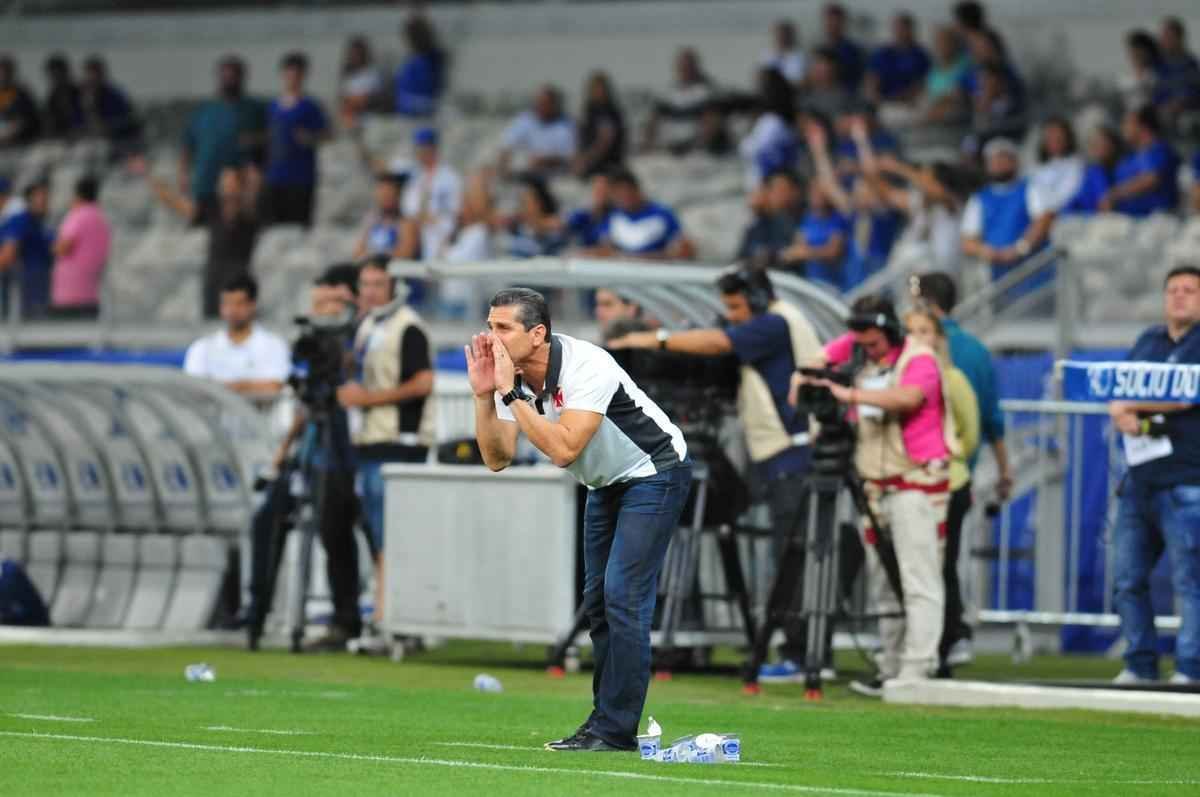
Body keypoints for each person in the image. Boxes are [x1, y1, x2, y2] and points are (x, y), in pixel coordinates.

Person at [468, 288, 691, 751]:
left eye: (502, 327)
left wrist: (510, 392)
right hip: (604, 483)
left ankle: (615, 730)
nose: (492, 337)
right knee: (597, 603)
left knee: (622, 596)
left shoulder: (588, 364)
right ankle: (604, 723)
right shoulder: (517, 378)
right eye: (489, 326)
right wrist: (484, 397)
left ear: (538, 334)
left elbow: (565, 448)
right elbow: (497, 457)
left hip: (653, 471)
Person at [609, 267, 823, 682]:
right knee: (785, 556)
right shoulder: (779, 320)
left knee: (791, 559)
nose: (733, 316)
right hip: (781, 456)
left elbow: (721, 343)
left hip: (791, 456)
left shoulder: (775, 323)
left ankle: (799, 654)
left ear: (759, 301)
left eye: (737, 307)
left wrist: (653, 339)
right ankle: (792, 650)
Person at [795, 295, 955, 693]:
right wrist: (814, 379)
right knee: (884, 584)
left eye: (873, 344)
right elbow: (808, 371)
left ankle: (918, 669)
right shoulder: (856, 348)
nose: (866, 350)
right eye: (861, 343)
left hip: (916, 483)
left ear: (892, 333)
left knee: (918, 580)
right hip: (874, 485)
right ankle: (891, 665)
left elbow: (908, 398)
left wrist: (847, 394)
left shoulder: (920, 359)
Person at [246, 269, 364, 651]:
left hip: (347, 451)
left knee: (335, 530)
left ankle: (347, 620)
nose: (322, 313)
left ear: (348, 302)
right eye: (317, 304)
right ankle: (257, 611)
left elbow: (349, 389)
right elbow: (305, 401)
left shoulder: (360, 338)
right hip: (312, 450)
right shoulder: (310, 343)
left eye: (330, 304)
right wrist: (281, 458)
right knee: (269, 518)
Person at [1108, 265, 1200, 686]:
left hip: (1188, 477)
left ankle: (1190, 668)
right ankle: (1140, 664)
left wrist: (1135, 407)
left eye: (1190, 290)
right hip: (1140, 479)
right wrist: (1126, 412)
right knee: (1127, 578)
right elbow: (1117, 394)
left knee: (1190, 580)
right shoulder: (1147, 341)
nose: (1180, 296)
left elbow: (1185, 395)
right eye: (1173, 290)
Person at [915, 272, 1013, 665]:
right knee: (948, 560)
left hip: (922, 474)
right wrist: (1004, 469)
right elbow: (991, 419)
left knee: (920, 563)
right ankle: (953, 637)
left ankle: (932, 640)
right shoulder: (976, 349)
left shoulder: (917, 352)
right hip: (959, 475)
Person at [341, 257, 434, 640]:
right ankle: (385, 610)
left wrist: (370, 400)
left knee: (392, 533)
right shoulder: (368, 325)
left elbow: (423, 382)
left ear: (394, 286)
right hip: (370, 440)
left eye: (378, 284)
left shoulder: (407, 326)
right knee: (375, 530)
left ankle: (395, 614)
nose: (370, 292)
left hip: (399, 441)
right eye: (365, 284)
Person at [903, 306, 980, 674]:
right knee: (913, 567)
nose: (918, 338)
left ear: (939, 338)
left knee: (940, 566)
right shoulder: (895, 381)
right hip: (906, 483)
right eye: (910, 331)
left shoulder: (953, 379)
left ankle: (946, 643)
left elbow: (971, 434)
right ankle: (917, 645)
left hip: (948, 483)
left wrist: (945, 459)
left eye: (925, 330)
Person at [130, 154, 261, 319]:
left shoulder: (249, 213)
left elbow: (253, 190)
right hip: (214, 279)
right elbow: (177, 204)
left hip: (239, 282)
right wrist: (149, 176)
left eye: (229, 181)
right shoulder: (213, 210)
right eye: (223, 181)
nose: (225, 186)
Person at [960, 137, 1055, 300]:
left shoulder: (1032, 188)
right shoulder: (980, 198)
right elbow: (967, 240)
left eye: (1003, 159)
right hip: (997, 276)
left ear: (1014, 162)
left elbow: (1043, 220)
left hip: (1032, 271)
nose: (998, 164)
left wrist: (1019, 248)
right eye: (993, 160)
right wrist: (988, 252)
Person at [181, 56, 268, 220]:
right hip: (205, 184)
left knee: (237, 234)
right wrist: (184, 176)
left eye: (234, 76)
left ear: (243, 77)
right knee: (203, 235)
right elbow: (187, 146)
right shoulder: (203, 110)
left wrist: (254, 140)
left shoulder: (255, 109)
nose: (229, 80)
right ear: (218, 77)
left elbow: (272, 140)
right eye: (225, 76)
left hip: (239, 188)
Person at [182, 274, 290, 399]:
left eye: (239, 304)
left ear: (252, 305)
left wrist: (218, 388)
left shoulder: (274, 346)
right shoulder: (202, 347)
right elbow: (193, 390)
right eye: (226, 303)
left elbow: (275, 387)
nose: (231, 310)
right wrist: (249, 386)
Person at [265, 52, 329, 228]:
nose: (292, 79)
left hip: (301, 177)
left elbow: (327, 134)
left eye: (297, 75)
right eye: (289, 74)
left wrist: (310, 137)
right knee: (275, 226)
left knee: (299, 226)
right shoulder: (273, 106)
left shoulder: (310, 106)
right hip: (276, 176)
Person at [642, 48, 730, 157]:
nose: (685, 70)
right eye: (682, 66)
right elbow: (653, 121)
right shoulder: (667, 93)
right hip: (669, 150)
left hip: (698, 152)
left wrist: (700, 143)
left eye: (688, 66)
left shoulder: (707, 92)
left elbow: (712, 121)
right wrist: (648, 144)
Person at [591, 168, 693, 260]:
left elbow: (684, 250)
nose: (623, 197)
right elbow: (604, 250)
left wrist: (643, 258)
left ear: (636, 189)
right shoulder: (611, 217)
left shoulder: (662, 214)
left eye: (626, 191)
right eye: (617, 194)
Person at [1100, 105, 1181, 217]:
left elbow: (1152, 178)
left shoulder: (1160, 150)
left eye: (1127, 123)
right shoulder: (1129, 157)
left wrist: (1114, 195)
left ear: (1143, 126)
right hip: (1127, 219)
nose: (1123, 128)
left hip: (1156, 221)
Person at [49, 175, 111, 320]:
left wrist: (52, 247)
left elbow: (63, 248)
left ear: (77, 195)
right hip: (91, 292)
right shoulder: (101, 219)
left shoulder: (77, 216)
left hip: (69, 294)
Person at [401, 127, 462, 262]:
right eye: (419, 148)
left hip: (440, 233)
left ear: (434, 148)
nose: (421, 152)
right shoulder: (415, 177)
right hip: (417, 234)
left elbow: (455, 212)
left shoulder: (449, 177)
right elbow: (408, 209)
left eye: (425, 148)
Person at [739, 68, 798, 191]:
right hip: (760, 183)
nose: (757, 90)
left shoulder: (773, 123)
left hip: (769, 184)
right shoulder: (768, 120)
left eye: (761, 86)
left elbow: (751, 150)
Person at [0, 180, 52, 319]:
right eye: (40, 197)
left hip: (33, 289)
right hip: (27, 289)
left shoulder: (32, 221)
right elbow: (7, 254)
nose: (45, 201)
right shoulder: (22, 220)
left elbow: (7, 255)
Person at [498, 86, 576, 178]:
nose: (542, 106)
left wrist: (545, 161)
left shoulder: (566, 126)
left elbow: (570, 158)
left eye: (546, 103)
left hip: (554, 176)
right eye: (540, 103)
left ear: (554, 105)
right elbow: (506, 147)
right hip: (524, 172)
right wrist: (503, 170)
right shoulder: (524, 120)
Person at [737, 169, 805, 266]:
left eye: (782, 189)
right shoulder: (757, 226)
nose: (776, 194)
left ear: (795, 192)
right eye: (773, 189)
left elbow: (795, 253)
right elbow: (741, 259)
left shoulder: (802, 220)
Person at [865, 13, 931, 106]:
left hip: (909, 102)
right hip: (882, 101)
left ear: (911, 30)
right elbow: (872, 79)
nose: (900, 32)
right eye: (898, 28)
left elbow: (922, 82)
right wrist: (875, 98)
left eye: (904, 28)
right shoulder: (882, 53)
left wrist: (904, 98)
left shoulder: (920, 55)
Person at [79, 56, 140, 155]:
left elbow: (126, 120)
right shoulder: (83, 95)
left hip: (120, 141)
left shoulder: (114, 95)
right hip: (94, 142)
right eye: (89, 74)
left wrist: (107, 127)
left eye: (95, 74)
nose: (92, 78)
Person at [1061, 126, 1123, 216]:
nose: (1099, 146)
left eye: (1103, 142)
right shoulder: (1094, 171)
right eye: (1095, 143)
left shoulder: (1121, 167)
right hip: (1078, 216)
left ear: (1113, 145)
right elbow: (1105, 204)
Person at [574, 71, 626, 180]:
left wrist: (586, 158)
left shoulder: (610, 112)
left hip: (607, 164)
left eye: (601, 89)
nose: (598, 92)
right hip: (589, 161)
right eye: (595, 89)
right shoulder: (589, 109)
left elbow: (605, 141)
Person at [394, 14, 447, 117]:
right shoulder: (414, 59)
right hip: (407, 104)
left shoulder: (429, 60)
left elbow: (429, 89)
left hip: (418, 105)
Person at [503, 173, 567, 258]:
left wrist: (541, 225)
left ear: (540, 203)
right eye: (522, 203)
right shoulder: (516, 231)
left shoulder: (557, 228)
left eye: (526, 202)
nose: (523, 208)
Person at [1030, 117, 1084, 214]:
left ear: (1068, 138)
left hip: (1064, 216)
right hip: (1038, 218)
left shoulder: (1076, 165)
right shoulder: (1038, 169)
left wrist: (1047, 213)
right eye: (1050, 135)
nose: (1054, 139)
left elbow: (1068, 195)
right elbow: (1033, 197)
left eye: (1058, 135)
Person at [353, 171, 408, 260]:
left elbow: (405, 254)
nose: (384, 198)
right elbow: (357, 253)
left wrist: (372, 255)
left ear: (397, 196)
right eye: (382, 194)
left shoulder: (405, 224)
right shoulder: (372, 222)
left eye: (388, 195)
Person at [1158, 17, 1200, 122]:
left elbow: (1193, 91)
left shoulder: (1189, 63)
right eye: (1162, 36)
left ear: (1179, 38)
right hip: (1162, 115)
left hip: (1186, 115)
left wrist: (1179, 103)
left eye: (1168, 36)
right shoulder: (1159, 65)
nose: (1163, 40)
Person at [818, 3, 865, 92]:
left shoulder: (854, 51)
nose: (833, 25)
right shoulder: (817, 49)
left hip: (845, 96)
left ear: (843, 22)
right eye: (829, 20)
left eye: (836, 21)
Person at [338, 36, 383, 129]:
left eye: (358, 53)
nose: (355, 56)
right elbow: (343, 100)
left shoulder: (372, 74)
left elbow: (368, 99)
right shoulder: (348, 76)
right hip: (350, 121)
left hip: (369, 120)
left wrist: (354, 101)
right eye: (353, 53)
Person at [0, 56, 41, 149]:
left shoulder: (22, 93)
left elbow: (29, 119)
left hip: (22, 139)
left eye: (8, 72)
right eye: (3, 72)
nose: (5, 75)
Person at [565, 173, 613, 250]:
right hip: (583, 258)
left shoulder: (616, 216)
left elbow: (608, 247)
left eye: (605, 190)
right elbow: (561, 225)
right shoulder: (582, 214)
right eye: (598, 190)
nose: (601, 194)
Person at [42, 53, 80, 140]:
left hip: (77, 139)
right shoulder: (52, 95)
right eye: (53, 75)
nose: (55, 78)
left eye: (58, 74)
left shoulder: (78, 93)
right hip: (57, 139)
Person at [761, 20, 806, 85]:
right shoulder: (767, 54)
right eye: (779, 34)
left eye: (784, 35)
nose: (781, 37)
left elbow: (799, 79)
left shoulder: (800, 56)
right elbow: (763, 75)